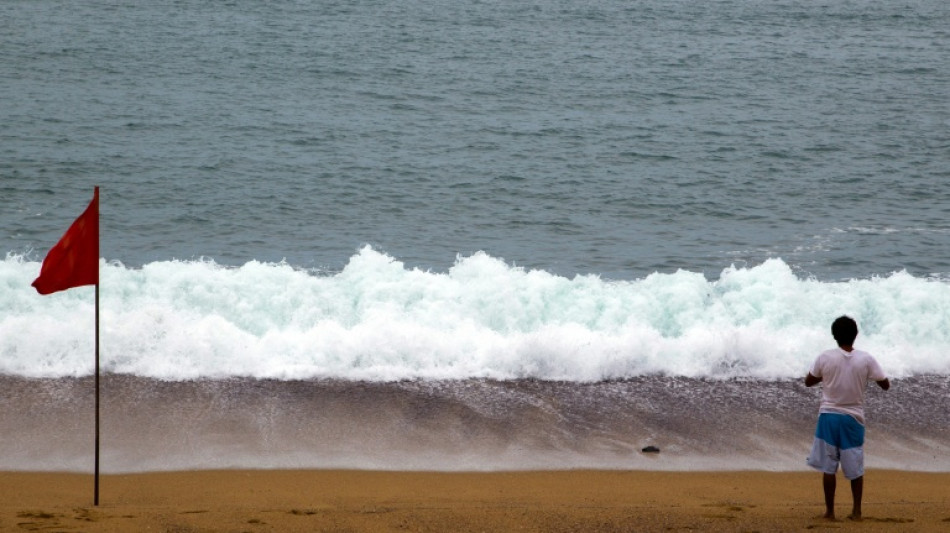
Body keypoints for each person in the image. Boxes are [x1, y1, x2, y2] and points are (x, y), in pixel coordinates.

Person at [804, 315, 889, 521]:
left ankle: (830, 512)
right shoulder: (866, 359)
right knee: (855, 466)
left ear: (834, 335)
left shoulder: (825, 357)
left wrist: (826, 375)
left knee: (828, 467)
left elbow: (808, 381)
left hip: (829, 416)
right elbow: (885, 383)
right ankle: (857, 511)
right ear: (856, 335)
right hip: (854, 418)